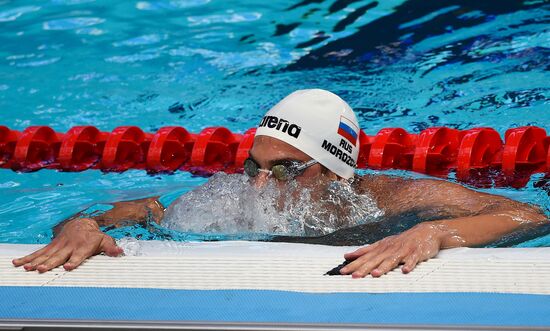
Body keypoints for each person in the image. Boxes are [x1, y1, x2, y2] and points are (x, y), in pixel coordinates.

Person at [12, 89, 548, 278]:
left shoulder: (396, 197)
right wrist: (81, 223)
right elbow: (126, 211)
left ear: (336, 170)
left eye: (287, 169)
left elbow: (531, 216)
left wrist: (435, 233)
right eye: (255, 165)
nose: (261, 187)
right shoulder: (230, 197)